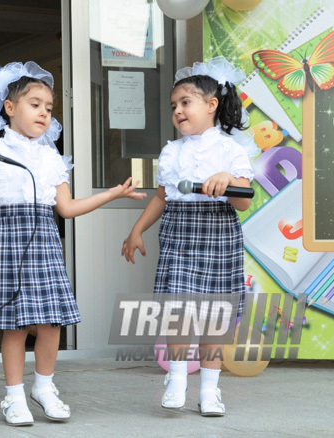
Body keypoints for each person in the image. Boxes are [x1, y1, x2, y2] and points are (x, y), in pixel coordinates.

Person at [0, 61, 146, 426]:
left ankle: (43, 387)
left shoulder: (50, 156)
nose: (44, 112)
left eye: (49, 107)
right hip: (7, 238)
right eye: (35, 104)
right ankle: (14, 396)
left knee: (52, 322)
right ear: (10, 108)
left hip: (44, 237)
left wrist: (110, 194)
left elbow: (67, 207)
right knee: (15, 323)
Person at [121, 57, 254, 417]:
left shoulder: (230, 149)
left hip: (218, 231)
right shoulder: (171, 151)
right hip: (179, 232)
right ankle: (177, 378)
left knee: (212, 315)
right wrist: (137, 229)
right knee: (178, 310)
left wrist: (228, 180)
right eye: (174, 106)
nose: (178, 111)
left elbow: (243, 203)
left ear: (211, 105)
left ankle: (210, 390)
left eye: (186, 102)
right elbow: (162, 197)